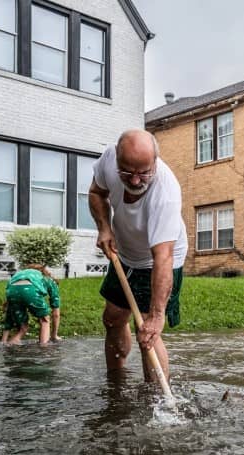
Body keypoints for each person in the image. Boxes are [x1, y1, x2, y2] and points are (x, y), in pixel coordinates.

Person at [89, 129, 187, 383]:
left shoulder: (165, 195)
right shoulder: (109, 158)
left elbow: (162, 258)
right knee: (112, 318)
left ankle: (154, 402)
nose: (135, 181)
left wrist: (156, 317)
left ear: (155, 161)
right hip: (125, 250)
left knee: (146, 330)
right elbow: (97, 193)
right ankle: (116, 383)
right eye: (127, 172)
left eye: (144, 173)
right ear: (117, 159)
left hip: (161, 259)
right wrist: (104, 227)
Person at [1, 264, 61, 345]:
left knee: (23, 328)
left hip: (12, 291)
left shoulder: (20, 274)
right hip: (30, 290)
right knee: (44, 320)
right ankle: (44, 349)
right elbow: (56, 313)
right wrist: (54, 335)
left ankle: (9, 344)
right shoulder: (48, 279)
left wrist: (3, 341)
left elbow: (9, 314)